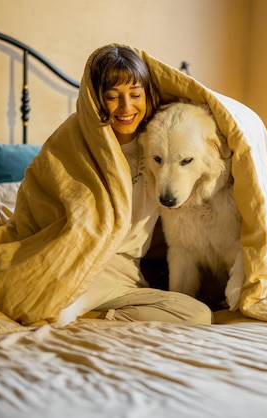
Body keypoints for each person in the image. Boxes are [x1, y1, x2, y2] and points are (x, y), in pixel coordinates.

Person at [54, 45, 213, 325]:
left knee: (198, 315)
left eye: (136, 95)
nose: (126, 107)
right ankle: (78, 308)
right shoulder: (75, 144)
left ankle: (98, 315)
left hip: (127, 276)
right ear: (96, 101)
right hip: (80, 266)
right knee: (51, 312)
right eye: (112, 96)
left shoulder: (157, 142)